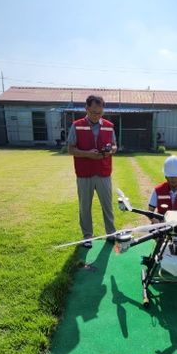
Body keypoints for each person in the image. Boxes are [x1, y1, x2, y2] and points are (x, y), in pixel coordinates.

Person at [67, 95, 118, 248]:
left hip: (103, 172)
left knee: (107, 205)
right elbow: (70, 149)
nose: (97, 115)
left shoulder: (109, 126)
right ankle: (87, 236)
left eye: (100, 112)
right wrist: (87, 154)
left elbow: (115, 146)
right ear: (86, 108)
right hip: (84, 173)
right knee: (85, 206)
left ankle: (111, 233)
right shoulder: (76, 125)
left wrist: (110, 151)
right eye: (93, 112)